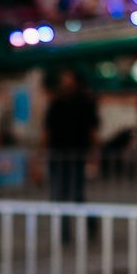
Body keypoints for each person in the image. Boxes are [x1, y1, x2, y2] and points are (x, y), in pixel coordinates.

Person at [42, 70, 99, 234]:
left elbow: (91, 129)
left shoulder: (84, 103)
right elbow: (47, 130)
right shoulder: (56, 103)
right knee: (59, 194)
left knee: (76, 194)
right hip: (58, 154)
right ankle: (64, 230)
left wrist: (94, 152)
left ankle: (87, 223)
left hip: (76, 154)